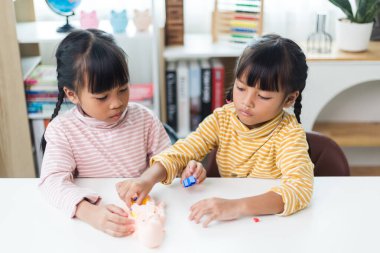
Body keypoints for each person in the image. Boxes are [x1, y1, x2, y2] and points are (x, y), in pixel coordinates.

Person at [116, 34, 314, 227]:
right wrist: (146, 179)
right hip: (229, 224)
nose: (246, 102)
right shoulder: (223, 119)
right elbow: (183, 150)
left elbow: (299, 189)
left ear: (289, 99)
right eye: (241, 88)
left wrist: (235, 207)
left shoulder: (289, 134)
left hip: (270, 224)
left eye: (263, 96)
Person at [38, 29, 171, 237]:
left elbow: (168, 160)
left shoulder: (144, 119)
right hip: (93, 230)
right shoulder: (63, 130)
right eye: (102, 97)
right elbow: (51, 183)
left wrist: (184, 166)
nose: (117, 103)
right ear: (72, 94)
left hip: (143, 220)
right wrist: (90, 213)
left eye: (123, 89)